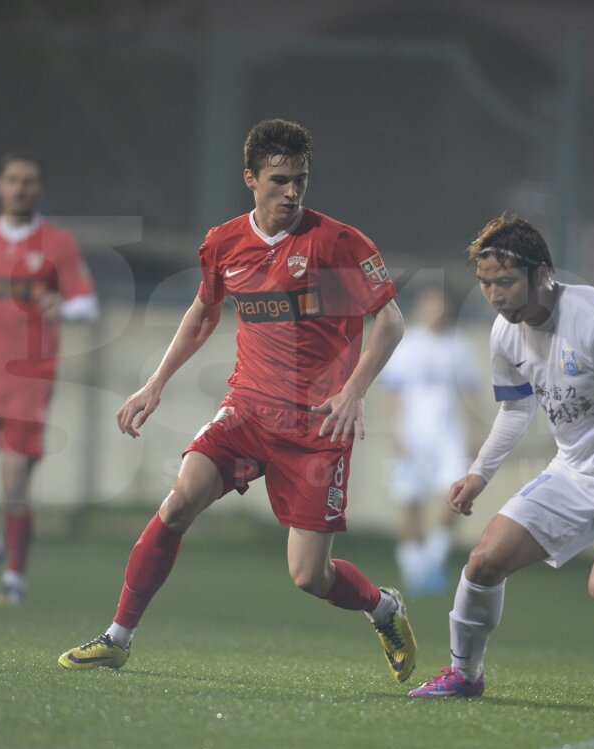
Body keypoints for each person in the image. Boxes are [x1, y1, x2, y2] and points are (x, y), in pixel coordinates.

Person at [57, 119, 417, 682]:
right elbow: (203, 312)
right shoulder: (223, 243)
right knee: (180, 502)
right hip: (247, 410)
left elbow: (390, 322)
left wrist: (352, 392)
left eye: (300, 179)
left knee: (308, 577)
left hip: (317, 427)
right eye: (279, 180)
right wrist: (156, 383)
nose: (292, 192)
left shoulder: (339, 244)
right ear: (250, 178)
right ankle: (118, 638)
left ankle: (383, 609)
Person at [409, 213, 594, 708]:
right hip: (574, 472)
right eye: (484, 284)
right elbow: (516, 410)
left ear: (541, 274)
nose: (494, 295)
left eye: (504, 282)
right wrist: (479, 474)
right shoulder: (506, 332)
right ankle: (464, 674)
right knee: (483, 561)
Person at [0, 151, 99, 606]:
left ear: (39, 189)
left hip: (30, 381)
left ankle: (15, 578)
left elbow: (87, 306)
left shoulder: (58, 244)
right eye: (12, 180)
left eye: (29, 181)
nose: (20, 188)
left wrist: (62, 308)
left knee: (14, 478)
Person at [381, 285, 477, 594]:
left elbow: (471, 394)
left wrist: (475, 434)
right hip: (413, 436)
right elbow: (392, 393)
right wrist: (396, 432)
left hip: (449, 437)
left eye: (440, 305)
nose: (435, 310)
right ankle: (413, 570)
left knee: (456, 499)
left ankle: (432, 560)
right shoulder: (407, 345)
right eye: (429, 304)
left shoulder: (459, 346)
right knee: (410, 502)